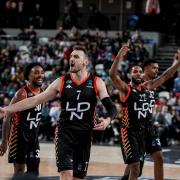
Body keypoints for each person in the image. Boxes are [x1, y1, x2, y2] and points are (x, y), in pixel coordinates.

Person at [0, 45, 117, 180]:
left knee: (78, 177)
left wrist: (107, 120)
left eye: (76, 57)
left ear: (85, 62)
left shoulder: (97, 82)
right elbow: (35, 100)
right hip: (64, 134)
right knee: (66, 175)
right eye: (71, 56)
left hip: (85, 134)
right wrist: (7, 109)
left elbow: (111, 108)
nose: (71, 59)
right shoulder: (61, 81)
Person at [109, 45, 180, 180]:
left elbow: (166, 76)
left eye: (139, 71)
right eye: (134, 71)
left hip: (148, 128)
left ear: (142, 73)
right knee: (135, 169)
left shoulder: (148, 86)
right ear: (130, 74)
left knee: (158, 158)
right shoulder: (126, 89)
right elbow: (112, 75)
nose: (137, 73)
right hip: (131, 130)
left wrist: (178, 63)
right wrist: (118, 57)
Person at [0, 63, 45, 178]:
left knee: (34, 171)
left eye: (41, 72)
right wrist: (4, 141)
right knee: (19, 172)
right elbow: (7, 116)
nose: (40, 75)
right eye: (36, 73)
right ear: (28, 76)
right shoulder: (21, 93)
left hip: (33, 137)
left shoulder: (43, 93)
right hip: (19, 136)